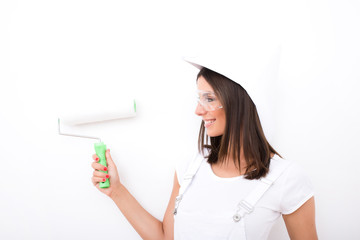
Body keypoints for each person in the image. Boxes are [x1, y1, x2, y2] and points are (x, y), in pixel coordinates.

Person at [90, 62, 318, 239]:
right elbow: (166, 238)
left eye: (209, 98)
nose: (198, 110)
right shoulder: (189, 168)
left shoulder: (286, 178)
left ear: (239, 102)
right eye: (199, 98)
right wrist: (116, 191)